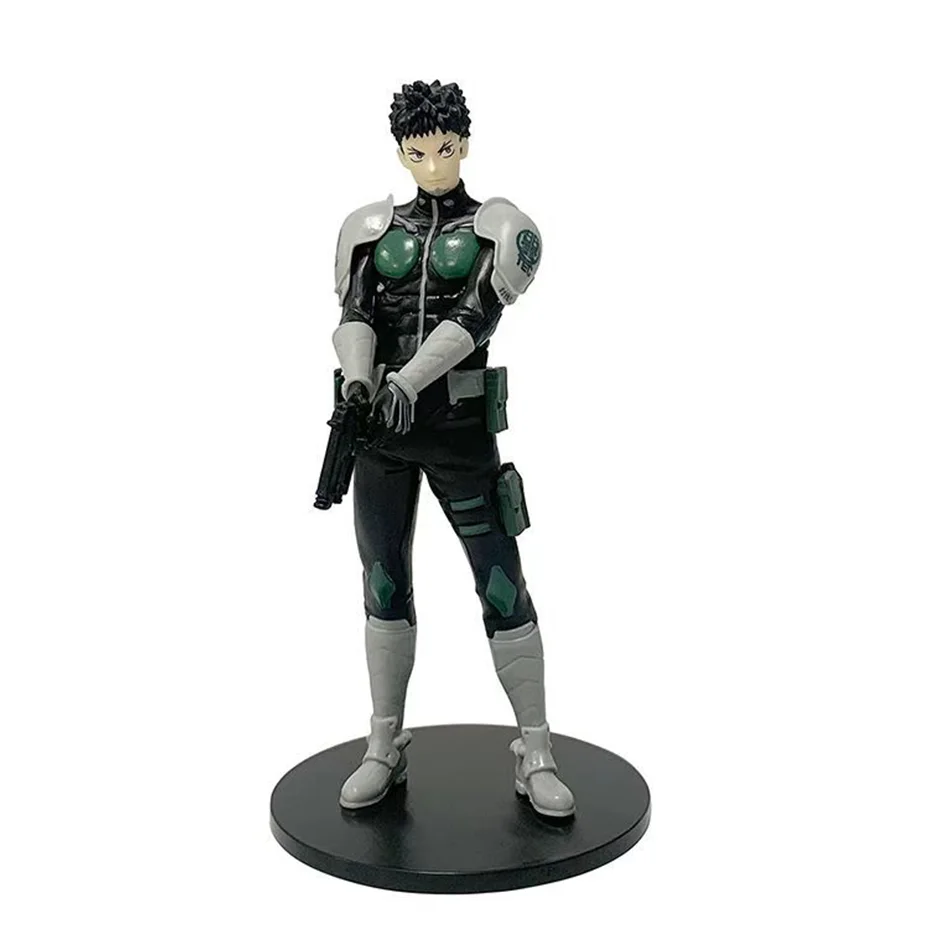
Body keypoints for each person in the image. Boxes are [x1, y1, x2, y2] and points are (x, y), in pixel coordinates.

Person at [331, 80, 574, 818]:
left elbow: (477, 313)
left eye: (444, 149)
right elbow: (356, 311)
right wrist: (359, 382)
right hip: (382, 436)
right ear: (400, 153)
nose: (433, 165)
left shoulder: (499, 227)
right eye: (418, 153)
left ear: (464, 144)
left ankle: (536, 749)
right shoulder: (369, 229)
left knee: (500, 580)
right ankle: (383, 743)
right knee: (382, 584)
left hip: (459, 432)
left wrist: (408, 378)